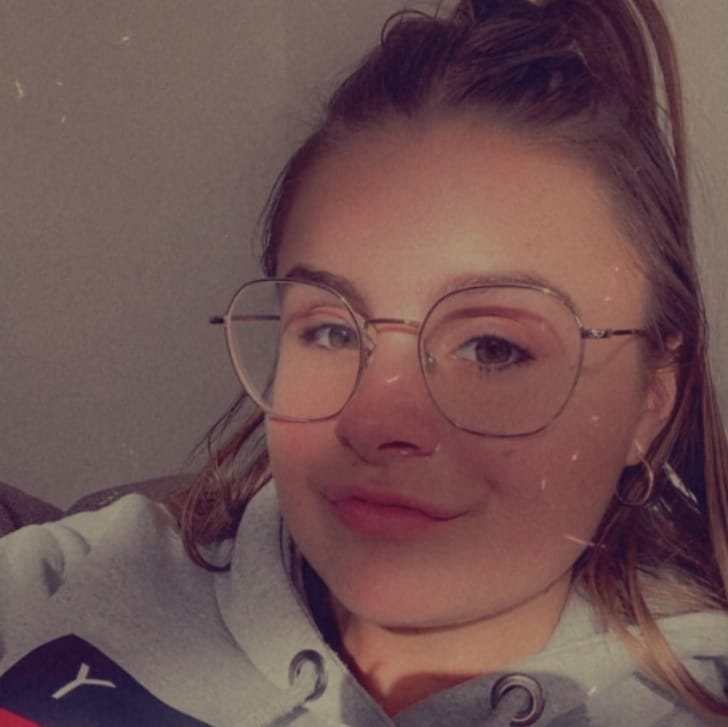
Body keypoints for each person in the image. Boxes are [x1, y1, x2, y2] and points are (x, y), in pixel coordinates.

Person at [1, 0, 727, 724]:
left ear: (651, 399)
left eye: (493, 347)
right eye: (331, 331)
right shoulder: (71, 584)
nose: (375, 420)